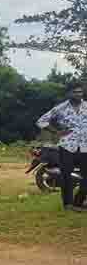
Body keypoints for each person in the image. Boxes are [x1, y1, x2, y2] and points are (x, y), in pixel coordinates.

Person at [36, 81, 87, 212]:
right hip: (67, 146)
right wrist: (56, 132)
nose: (78, 94)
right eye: (75, 92)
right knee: (66, 177)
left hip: (85, 147)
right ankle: (68, 205)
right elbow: (41, 121)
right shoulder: (60, 108)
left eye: (80, 92)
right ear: (69, 93)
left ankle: (78, 202)